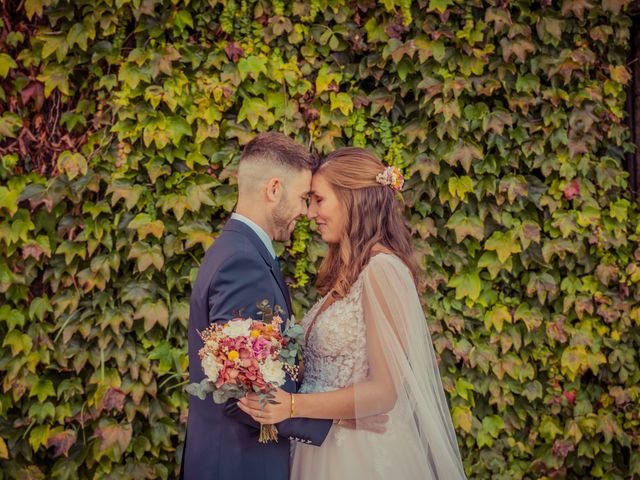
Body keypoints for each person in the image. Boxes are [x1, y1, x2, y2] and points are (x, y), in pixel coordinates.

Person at [238, 147, 467, 479]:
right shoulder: (344, 276)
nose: (310, 211)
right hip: (321, 445)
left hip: (360, 458)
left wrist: (290, 405)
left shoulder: (382, 269)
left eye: (319, 199)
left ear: (352, 199)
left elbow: (384, 390)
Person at [181, 132, 332, 480]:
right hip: (240, 464)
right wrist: (336, 418)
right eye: (303, 197)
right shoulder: (242, 263)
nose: (306, 212)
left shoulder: (239, 250)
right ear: (274, 189)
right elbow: (240, 391)